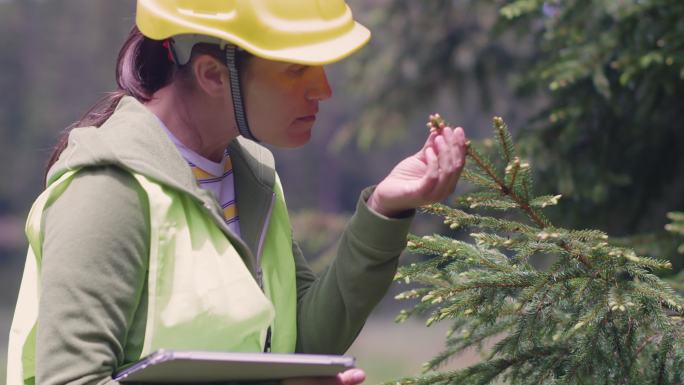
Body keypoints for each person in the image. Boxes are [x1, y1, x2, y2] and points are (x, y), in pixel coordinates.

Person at [7, 1, 467, 384]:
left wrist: (386, 211)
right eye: (296, 69)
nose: (322, 89)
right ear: (211, 74)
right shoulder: (109, 191)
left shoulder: (250, 177)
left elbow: (300, 340)